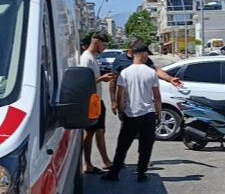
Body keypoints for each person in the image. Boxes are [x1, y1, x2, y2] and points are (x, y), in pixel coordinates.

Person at [103, 43, 161, 183]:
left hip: (131, 115)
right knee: (146, 146)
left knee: (122, 145)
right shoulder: (151, 73)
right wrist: (158, 113)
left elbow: (120, 94)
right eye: (147, 55)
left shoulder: (125, 73)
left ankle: (114, 173)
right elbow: (157, 97)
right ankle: (141, 174)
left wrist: (121, 110)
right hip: (148, 115)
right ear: (143, 55)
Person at [109, 38, 182, 115]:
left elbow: (156, 70)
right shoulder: (119, 60)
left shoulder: (144, 59)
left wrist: (170, 79)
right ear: (133, 47)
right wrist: (113, 101)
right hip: (126, 107)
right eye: (140, 45)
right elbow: (113, 81)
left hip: (145, 107)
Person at [78, 32, 117, 174]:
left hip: (97, 100)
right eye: (104, 45)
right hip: (90, 102)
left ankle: (106, 161)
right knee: (90, 133)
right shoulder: (86, 59)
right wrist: (102, 79)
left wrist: (101, 78)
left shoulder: (94, 57)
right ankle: (87, 164)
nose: (105, 48)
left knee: (100, 131)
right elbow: (82, 82)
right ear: (96, 42)